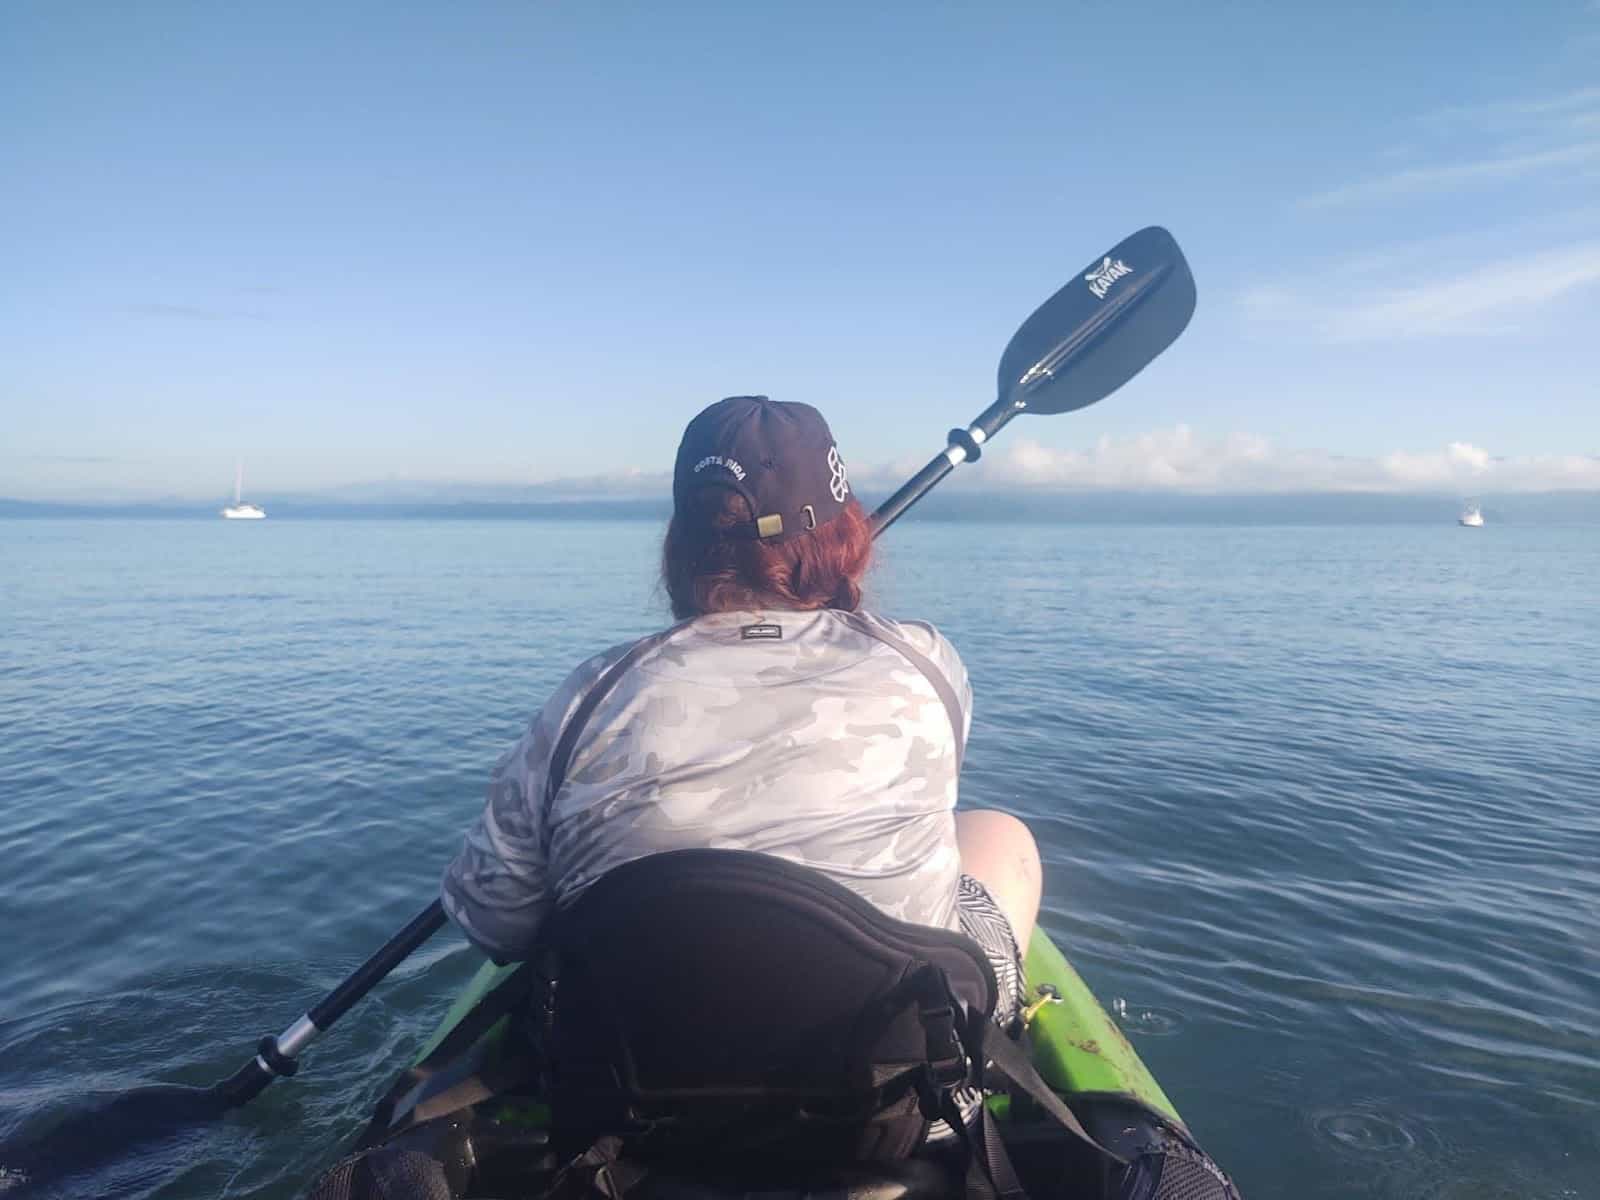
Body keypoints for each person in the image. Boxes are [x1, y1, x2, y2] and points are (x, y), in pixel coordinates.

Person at [441, 395, 1042, 1026]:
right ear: (847, 537)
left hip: (627, 1097)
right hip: (895, 1095)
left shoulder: (589, 695)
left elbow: (497, 926)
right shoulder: (925, 662)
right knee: (1001, 835)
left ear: (680, 542)